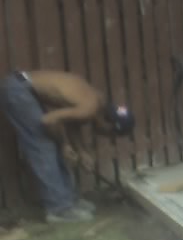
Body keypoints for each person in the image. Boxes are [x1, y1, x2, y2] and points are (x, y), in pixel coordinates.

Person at [0, 69, 135, 223]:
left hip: (22, 87)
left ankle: (68, 200)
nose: (103, 134)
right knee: (44, 146)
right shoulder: (90, 107)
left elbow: (72, 123)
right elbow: (48, 121)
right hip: (17, 91)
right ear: (107, 123)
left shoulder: (96, 101)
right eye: (109, 133)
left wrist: (82, 152)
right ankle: (58, 209)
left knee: (51, 141)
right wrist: (64, 144)